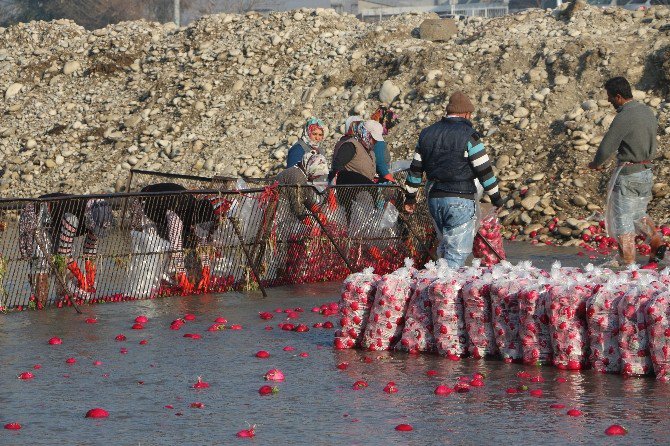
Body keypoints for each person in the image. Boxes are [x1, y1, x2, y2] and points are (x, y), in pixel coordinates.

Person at [404, 91, 504, 268]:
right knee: (456, 256)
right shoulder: (469, 136)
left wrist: (410, 197)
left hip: (434, 200)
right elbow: (484, 170)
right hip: (459, 199)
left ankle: (435, 286)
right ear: (466, 114)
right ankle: (442, 292)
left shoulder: (426, 134)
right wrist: (496, 198)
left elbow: (415, 169)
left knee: (444, 248)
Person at [588, 76, 666, 268]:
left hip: (628, 174)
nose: (608, 101)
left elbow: (606, 147)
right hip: (646, 172)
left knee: (622, 219)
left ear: (619, 96)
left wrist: (596, 163)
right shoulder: (647, 111)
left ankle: (627, 262)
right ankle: (657, 242)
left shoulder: (624, 116)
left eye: (610, 97)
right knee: (639, 214)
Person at [19, 194, 114, 303]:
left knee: (64, 271)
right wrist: (81, 278)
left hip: (62, 225)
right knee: (42, 267)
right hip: (44, 218)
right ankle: (40, 309)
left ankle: (62, 305)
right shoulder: (72, 217)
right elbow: (64, 254)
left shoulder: (100, 215)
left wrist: (90, 280)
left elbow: (90, 250)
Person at [132, 183, 221, 293]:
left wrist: (206, 268)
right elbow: (176, 245)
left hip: (165, 203)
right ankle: (148, 287)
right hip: (146, 202)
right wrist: (181, 273)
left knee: (182, 243)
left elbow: (202, 241)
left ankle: (170, 278)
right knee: (152, 246)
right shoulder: (176, 214)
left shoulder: (198, 211)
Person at [275, 150, 329, 221]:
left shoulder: (301, 172)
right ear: (311, 169)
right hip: (278, 210)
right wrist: (307, 220)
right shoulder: (297, 176)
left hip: (283, 208)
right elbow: (296, 204)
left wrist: (315, 209)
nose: (317, 177)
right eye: (316, 174)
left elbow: (304, 195)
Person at [329, 120, 384, 185]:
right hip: (351, 190)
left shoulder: (370, 151)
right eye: (373, 138)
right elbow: (337, 166)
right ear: (365, 133)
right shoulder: (351, 146)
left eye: (376, 140)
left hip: (365, 189)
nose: (375, 142)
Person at [371, 106, 399, 183]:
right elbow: (380, 163)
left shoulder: (372, 133)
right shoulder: (377, 139)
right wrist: (391, 180)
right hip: (382, 175)